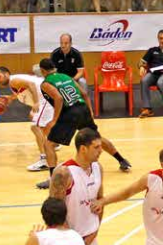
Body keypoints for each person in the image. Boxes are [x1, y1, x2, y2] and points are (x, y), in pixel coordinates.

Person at [34, 58, 132, 189]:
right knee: (96, 138)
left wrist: (54, 120)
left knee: (48, 144)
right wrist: (90, 111)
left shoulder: (46, 83)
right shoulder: (66, 76)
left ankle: (53, 179)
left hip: (69, 113)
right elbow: (85, 93)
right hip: (83, 108)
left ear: (43, 71)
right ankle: (121, 160)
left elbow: (58, 98)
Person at [0, 66, 54, 171]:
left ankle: (44, 160)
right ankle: (52, 144)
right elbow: (21, 92)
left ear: (6, 74)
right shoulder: (14, 82)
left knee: (35, 127)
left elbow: (31, 85)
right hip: (48, 93)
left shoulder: (14, 80)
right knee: (42, 126)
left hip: (46, 96)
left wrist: (36, 103)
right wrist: (11, 98)